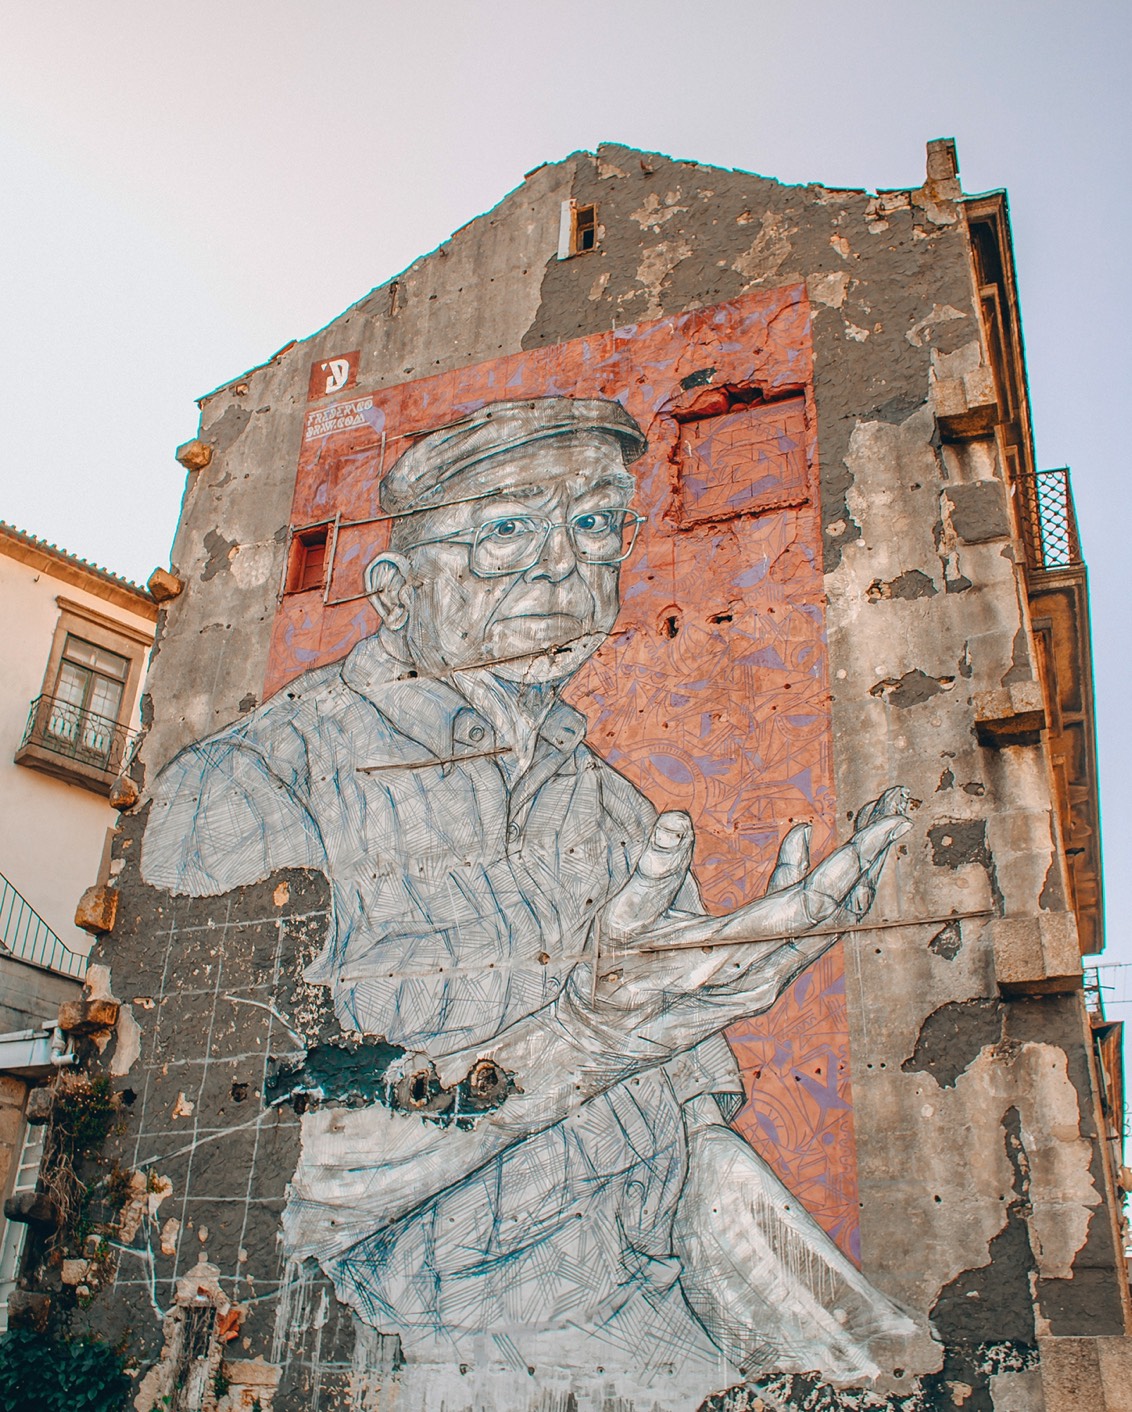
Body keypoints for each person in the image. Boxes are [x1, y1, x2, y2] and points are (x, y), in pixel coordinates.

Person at [142, 397, 920, 1395]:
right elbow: (242, 1184)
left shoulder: (620, 814)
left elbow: (695, 1165)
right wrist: (587, 1038)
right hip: (410, 1360)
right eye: (507, 526)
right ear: (394, 587)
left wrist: (849, 1362)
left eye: (596, 522)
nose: (562, 563)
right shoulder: (251, 786)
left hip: (647, 1336)